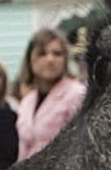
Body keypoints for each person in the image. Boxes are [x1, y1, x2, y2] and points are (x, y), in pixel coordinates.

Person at [12, 26, 85, 162]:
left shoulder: (76, 95)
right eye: (42, 54)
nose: (50, 59)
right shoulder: (27, 102)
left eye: (57, 53)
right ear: (30, 60)